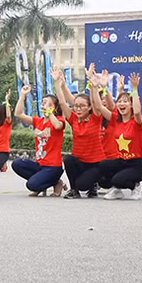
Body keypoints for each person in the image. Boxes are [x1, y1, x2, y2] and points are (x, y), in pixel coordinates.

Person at [52, 66, 104, 198]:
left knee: (84, 185)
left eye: (82, 106)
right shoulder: (74, 119)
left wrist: (92, 84)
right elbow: (63, 102)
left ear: (89, 107)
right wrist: (57, 83)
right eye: (76, 106)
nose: (78, 109)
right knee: (68, 159)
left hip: (95, 164)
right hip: (80, 161)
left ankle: (93, 185)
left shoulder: (95, 118)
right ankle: (74, 190)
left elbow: (95, 102)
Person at [11, 84, 66, 196]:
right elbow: (18, 114)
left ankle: (56, 182)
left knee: (31, 185)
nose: (43, 104)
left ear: (54, 108)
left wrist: (49, 113)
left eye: (47, 103)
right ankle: (46, 182)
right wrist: (22, 95)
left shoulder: (59, 120)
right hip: (40, 164)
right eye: (42, 102)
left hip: (53, 166)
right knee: (17, 164)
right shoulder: (38, 121)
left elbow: (57, 126)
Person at [99, 72, 142, 200]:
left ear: (130, 104)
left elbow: (136, 111)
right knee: (103, 166)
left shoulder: (137, 121)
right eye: (119, 101)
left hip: (135, 164)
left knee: (117, 179)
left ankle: (135, 186)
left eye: (125, 101)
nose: (121, 104)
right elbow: (98, 107)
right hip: (120, 161)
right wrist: (101, 87)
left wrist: (134, 90)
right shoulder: (115, 119)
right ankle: (117, 189)